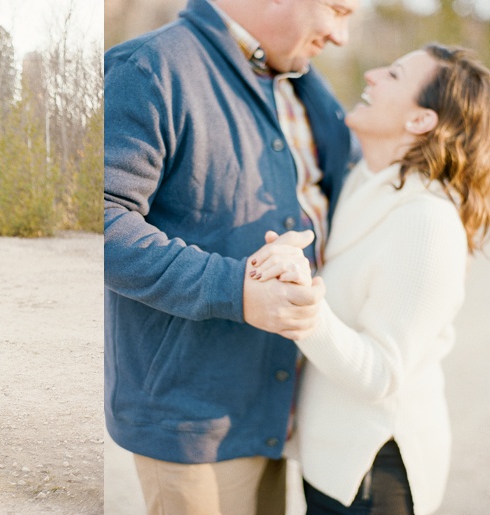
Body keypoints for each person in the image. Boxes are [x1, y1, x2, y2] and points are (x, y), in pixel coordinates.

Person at [104, 0, 361, 512]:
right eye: (337, 9)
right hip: (192, 418)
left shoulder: (304, 85)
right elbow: (102, 221)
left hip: (275, 411)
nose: (341, 36)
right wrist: (235, 289)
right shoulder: (150, 69)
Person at [250, 44, 490, 514]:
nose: (374, 72)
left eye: (396, 75)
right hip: (330, 457)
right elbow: (315, 92)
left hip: (373, 474)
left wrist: (305, 311)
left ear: (421, 121)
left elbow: (383, 371)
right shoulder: (367, 179)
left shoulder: (427, 221)